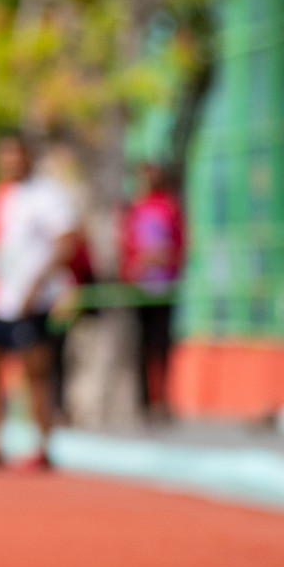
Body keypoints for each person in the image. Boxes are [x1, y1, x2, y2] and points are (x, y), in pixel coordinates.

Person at [0, 134, 78, 469]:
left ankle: (43, 446)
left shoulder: (47, 195)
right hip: (1, 301)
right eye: (5, 155)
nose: (11, 161)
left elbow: (66, 242)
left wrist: (37, 284)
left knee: (36, 373)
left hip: (33, 301)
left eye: (16, 155)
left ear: (29, 157)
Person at [121, 162, 185, 422]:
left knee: (163, 345)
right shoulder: (134, 209)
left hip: (164, 288)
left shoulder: (169, 206)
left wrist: (163, 259)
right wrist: (134, 267)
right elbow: (126, 246)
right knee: (141, 346)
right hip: (139, 288)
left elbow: (179, 245)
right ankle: (145, 403)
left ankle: (164, 400)